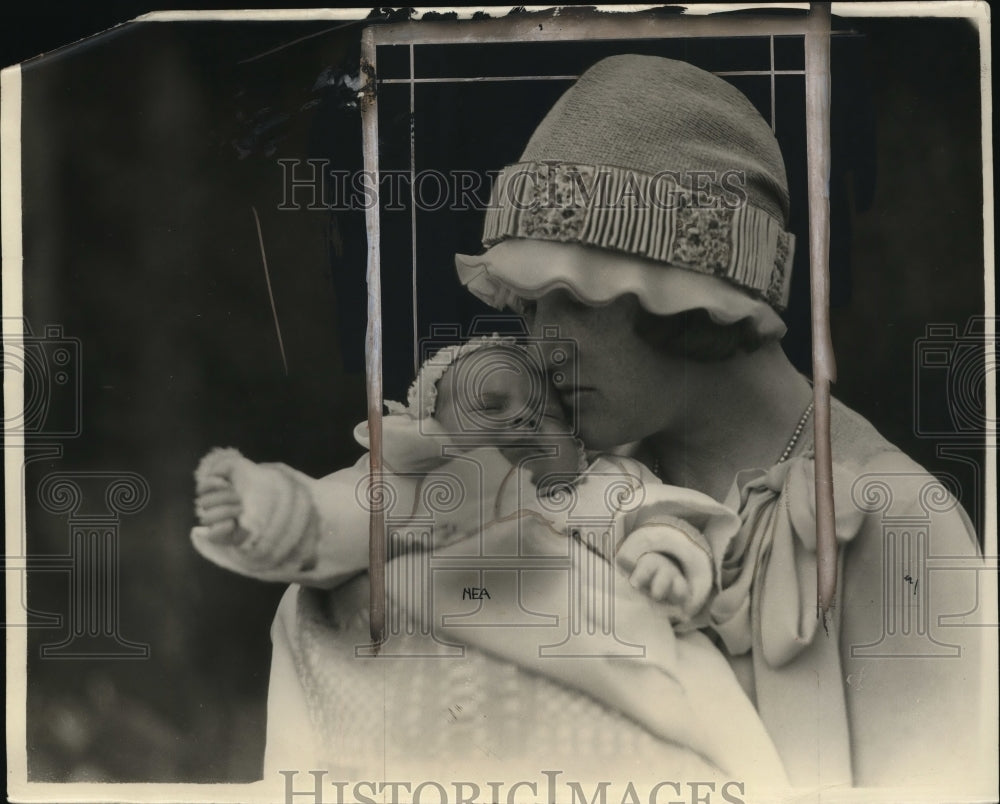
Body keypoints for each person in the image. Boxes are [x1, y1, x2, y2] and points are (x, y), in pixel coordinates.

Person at [453, 54, 988, 790]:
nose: (539, 346)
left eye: (572, 297)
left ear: (689, 295)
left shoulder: (893, 526)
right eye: (528, 307)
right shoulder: (581, 493)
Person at [192, 334, 741, 624]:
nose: (525, 423)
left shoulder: (604, 483)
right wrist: (268, 511)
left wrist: (663, 558)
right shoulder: (412, 486)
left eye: (546, 415)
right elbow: (337, 516)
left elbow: (659, 512)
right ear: (430, 429)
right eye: (492, 405)